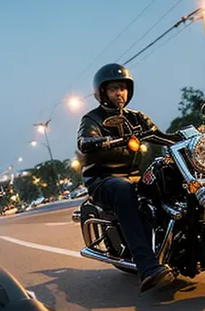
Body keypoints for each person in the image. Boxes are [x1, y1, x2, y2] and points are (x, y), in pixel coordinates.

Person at [76, 63, 178, 293]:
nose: (119, 93)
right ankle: (147, 265)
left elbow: (160, 135)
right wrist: (98, 141)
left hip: (132, 176)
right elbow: (85, 141)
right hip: (102, 179)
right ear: (103, 92)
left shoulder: (136, 117)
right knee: (122, 188)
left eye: (122, 88)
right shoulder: (92, 119)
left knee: (167, 177)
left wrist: (191, 135)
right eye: (113, 89)